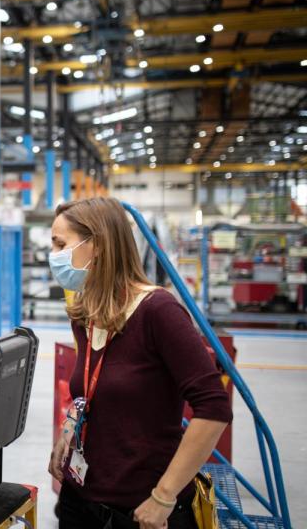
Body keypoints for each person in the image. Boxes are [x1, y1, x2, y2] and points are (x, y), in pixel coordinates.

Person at [47, 197, 232, 529]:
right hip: (80, 501)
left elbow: (213, 407)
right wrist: (69, 427)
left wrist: (164, 496)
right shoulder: (86, 313)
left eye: (61, 244)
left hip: (141, 510)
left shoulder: (158, 311)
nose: (53, 254)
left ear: (98, 245)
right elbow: (92, 388)